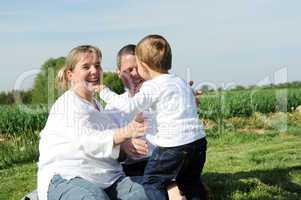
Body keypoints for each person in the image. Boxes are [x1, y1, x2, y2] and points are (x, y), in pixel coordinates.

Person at [96, 35, 207, 200]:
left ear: (144, 65)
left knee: (153, 183)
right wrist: (125, 144)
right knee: (190, 182)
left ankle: (173, 188)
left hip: (169, 153)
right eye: (128, 70)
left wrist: (104, 92)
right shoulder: (177, 81)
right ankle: (178, 189)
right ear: (119, 73)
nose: (135, 74)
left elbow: (130, 106)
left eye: (137, 67)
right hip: (195, 144)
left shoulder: (151, 88)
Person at [37, 45, 149, 200]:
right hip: (68, 176)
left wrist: (125, 148)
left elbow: (107, 146)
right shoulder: (67, 104)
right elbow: (87, 140)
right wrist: (125, 132)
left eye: (97, 65)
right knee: (94, 197)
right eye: (86, 67)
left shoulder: (99, 109)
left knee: (149, 192)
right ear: (70, 74)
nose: (94, 71)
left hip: (108, 179)